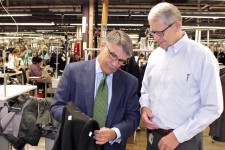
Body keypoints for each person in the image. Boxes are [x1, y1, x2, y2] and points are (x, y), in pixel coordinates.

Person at [139, 2, 223, 150]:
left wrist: (178, 136)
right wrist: (144, 106)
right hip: (153, 137)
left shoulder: (202, 57)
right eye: (152, 32)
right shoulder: (155, 56)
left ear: (177, 26)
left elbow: (213, 107)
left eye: (160, 32)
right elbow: (146, 89)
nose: (156, 38)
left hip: (185, 141)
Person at [51, 30, 140, 150]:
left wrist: (114, 133)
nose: (115, 64)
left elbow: (133, 118)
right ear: (102, 46)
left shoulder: (129, 82)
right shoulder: (73, 72)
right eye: (113, 55)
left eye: (121, 61)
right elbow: (56, 106)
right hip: (76, 144)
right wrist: (81, 124)